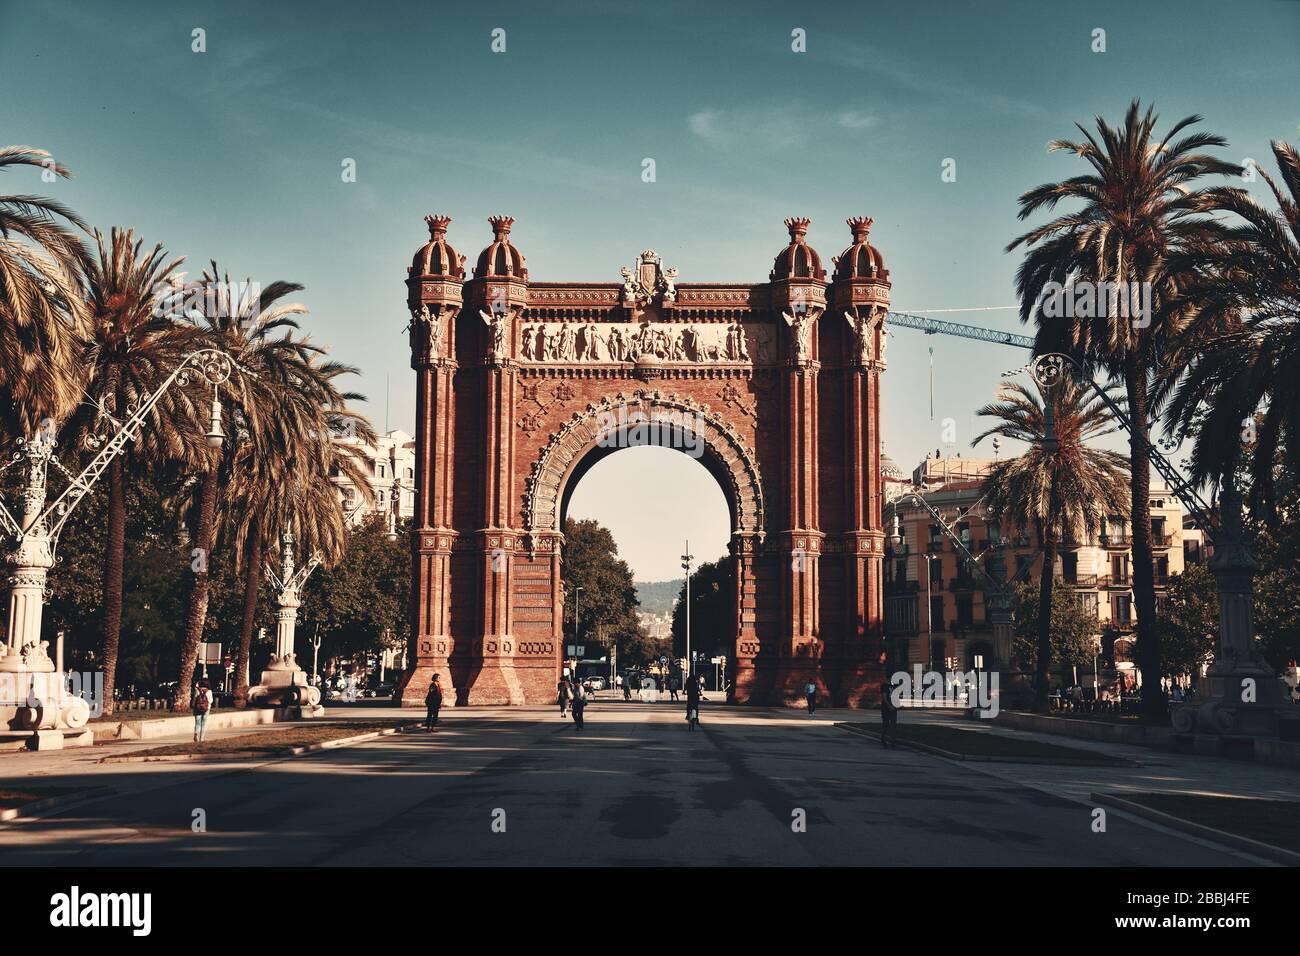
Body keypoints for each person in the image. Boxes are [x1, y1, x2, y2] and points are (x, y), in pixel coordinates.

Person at [879, 677, 897, 748]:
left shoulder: (893, 686)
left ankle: (892, 742)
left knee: (893, 725)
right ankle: (883, 739)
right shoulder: (884, 686)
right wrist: (889, 706)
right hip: (886, 709)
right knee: (886, 725)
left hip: (894, 708)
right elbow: (884, 697)